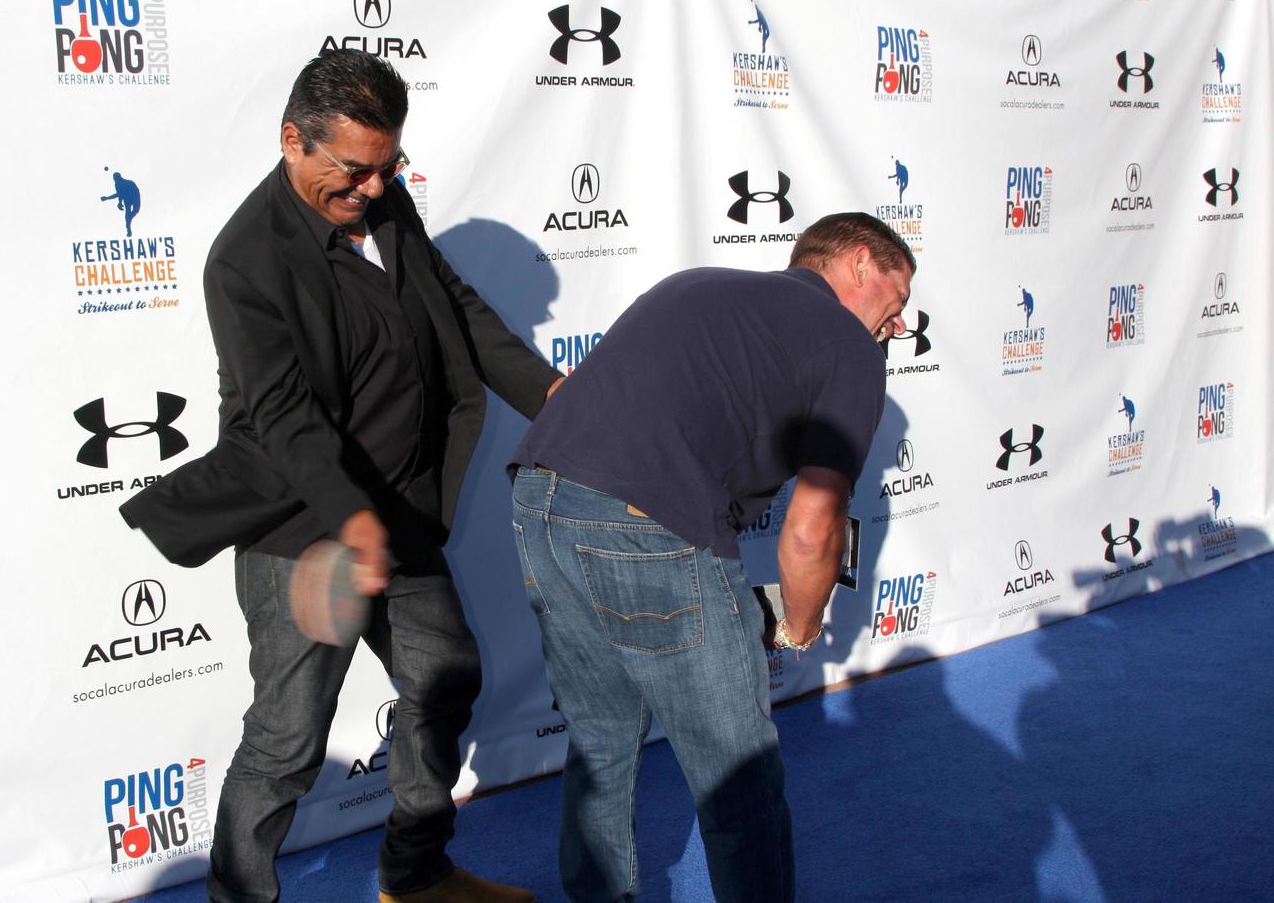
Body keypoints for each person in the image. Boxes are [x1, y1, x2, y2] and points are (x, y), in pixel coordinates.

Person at [121, 49, 558, 903]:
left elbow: (457, 310)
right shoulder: (246, 261)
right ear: (294, 141)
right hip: (304, 531)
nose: (373, 187)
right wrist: (352, 526)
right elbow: (283, 418)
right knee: (286, 742)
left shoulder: (386, 204)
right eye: (355, 170)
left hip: (401, 517)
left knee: (445, 683)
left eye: (388, 167)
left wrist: (555, 399)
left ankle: (416, 875)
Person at [508, 213, 915, 902]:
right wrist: (800, 626)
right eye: (899, 301)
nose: (900, 326)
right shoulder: (848, 344)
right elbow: (813, 530)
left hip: (537, 505)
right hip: (648, 527)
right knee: (739, 779)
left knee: (600, 746)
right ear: (858, 263)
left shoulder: (697, 284)